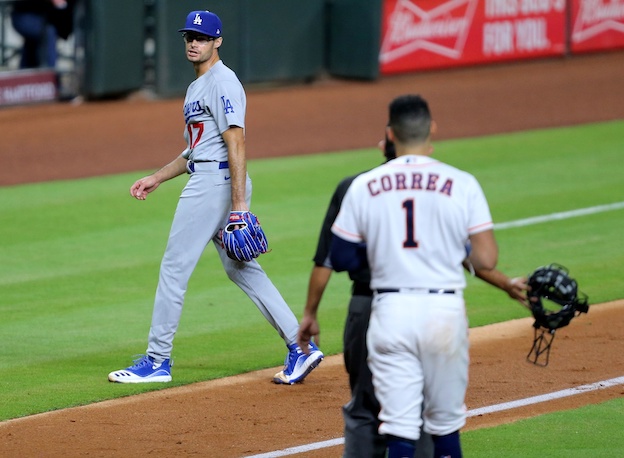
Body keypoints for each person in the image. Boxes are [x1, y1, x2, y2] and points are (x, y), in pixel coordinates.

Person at [108, 10, 323, 385]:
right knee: (241, 268)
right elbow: (196, 150)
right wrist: (158, 177)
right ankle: (300, 347)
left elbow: (235, 141)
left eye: (202, 37)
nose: (194, 43)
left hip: (215, 185)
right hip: (211, 178)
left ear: (218, 41)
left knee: (174, 269)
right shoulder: (197, 87)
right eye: (190, 36)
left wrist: (239, 205)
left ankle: (158, 359)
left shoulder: (224, 82)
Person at [298, 133, 528, 458]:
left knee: (369, 411)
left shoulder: (358, 186)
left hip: (374, 308)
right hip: (440, 312)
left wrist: (310, 312)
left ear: (385, 145)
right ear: (426, 146)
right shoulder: (446, 185)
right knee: (432, 417)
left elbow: (330, 258)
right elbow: (471, 255)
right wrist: (505, 283)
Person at [329, 94, 497, 458]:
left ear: (390, 134)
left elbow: (340, 255)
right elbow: (485, 259)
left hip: (390, 311)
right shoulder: (462, 182)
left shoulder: (366, 185)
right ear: (432, 129)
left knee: (399, 427)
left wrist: (382, 250)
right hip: (443, 315)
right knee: (445, 423)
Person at [10, 0, 75, 69]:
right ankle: (49, 74)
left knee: (33, 44)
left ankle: (26, 73)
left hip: (47, 19)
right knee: (48, 33)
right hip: (25, 14)